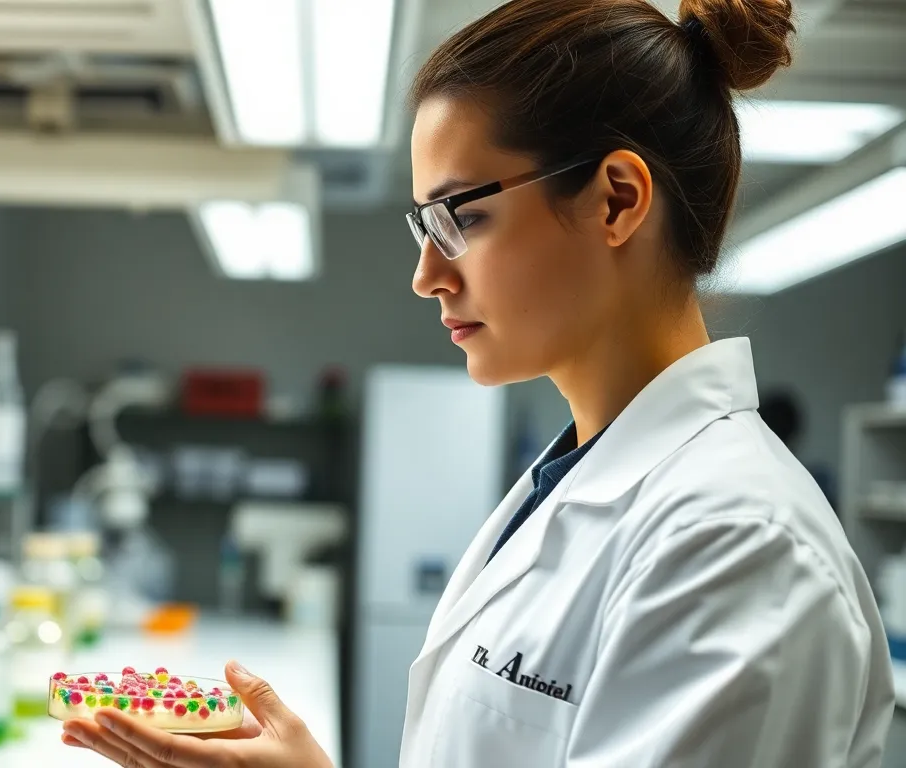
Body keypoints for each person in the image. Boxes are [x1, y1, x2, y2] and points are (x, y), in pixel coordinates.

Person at [61, 0, 896, 763]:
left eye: (459, 217)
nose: (427, 274)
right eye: (423, 224)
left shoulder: (739, 547)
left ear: (616, 200)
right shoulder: (573, 488)